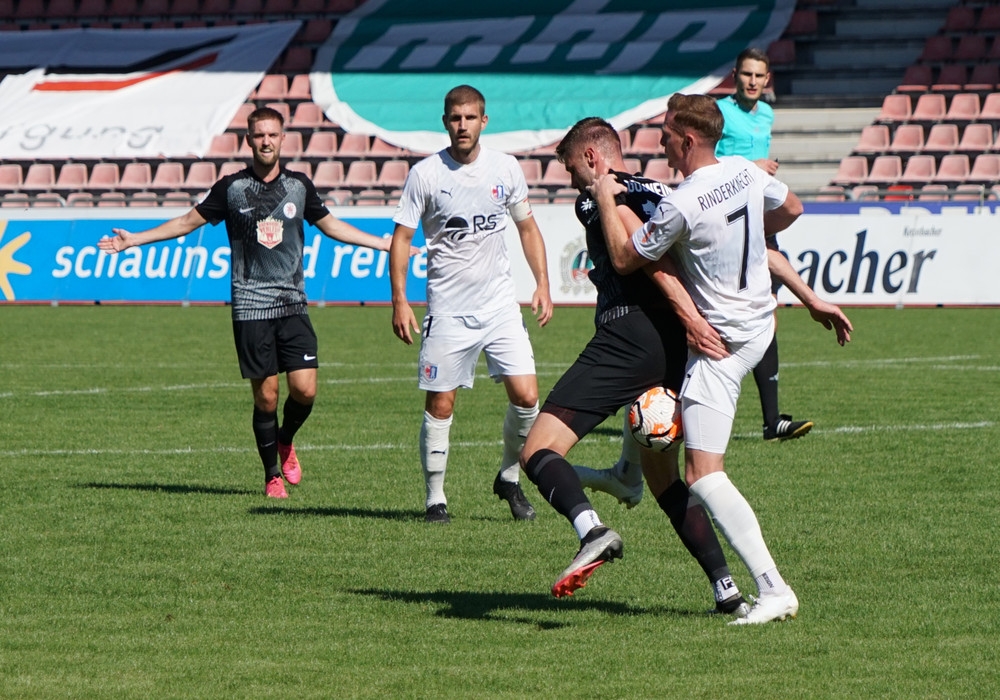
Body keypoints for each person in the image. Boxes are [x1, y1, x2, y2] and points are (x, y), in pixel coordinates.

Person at [590, 93, 852, 624]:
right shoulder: (744, 172)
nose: (661, 141)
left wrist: (603, 197)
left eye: (667, 134)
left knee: (704, 474)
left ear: (688, 140)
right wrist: (805, 293)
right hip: (758, 327)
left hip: (721, 346)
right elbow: (793, 209)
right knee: (669, 417)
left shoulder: (683, 203)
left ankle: (773, 589)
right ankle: (626, 472)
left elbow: (623, 256)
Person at [98, 106, 404, 499]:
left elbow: (332, 226)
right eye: (259, 135)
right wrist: (135, 239)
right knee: (267, 395)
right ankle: (272, 475)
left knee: (305, 390)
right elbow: (186, 223)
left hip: (292, 303)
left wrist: (383, 244)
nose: (266, 141)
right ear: (249, 140)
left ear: (283, 138)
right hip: (251, 306)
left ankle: (286, 439)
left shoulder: (299, 187)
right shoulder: (231, 188)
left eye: (272, 135)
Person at [523, 117, 748, 611]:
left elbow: (642, 256)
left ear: (591, 157)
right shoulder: (661, 190)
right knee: (664, 479)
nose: (573, 183)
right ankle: (726, 589)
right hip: (674, 344)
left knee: (537, 450)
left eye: (572, 170)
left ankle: (592, 530)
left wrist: (687, 314)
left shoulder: (600, 194)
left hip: (630, 334)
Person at [389, 85, 553, 524]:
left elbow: (528, 228)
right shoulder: (426, 174)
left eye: (470, 117)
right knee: (441, 405)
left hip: (499, 307)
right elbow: (402, 239)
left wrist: (542, 283)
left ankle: (509, 478)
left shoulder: (506, 168)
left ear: (484, 121)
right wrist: (400, 300)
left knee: (528, 398)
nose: (462, 125)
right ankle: (435, 499)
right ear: (445, 122)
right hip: (447, 310)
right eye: (455, 118)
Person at [717, 47, 811, 443]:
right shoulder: (718, 112)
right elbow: (704, 164)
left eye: (759, 75)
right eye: (746, 74)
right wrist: (750, 167)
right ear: (735, 75)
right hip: (725, 222)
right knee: (717, 315)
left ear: (767, 79)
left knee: (766, 314)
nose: (752, 81)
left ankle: (772, 421)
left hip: (759, 222)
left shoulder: (767, 114)